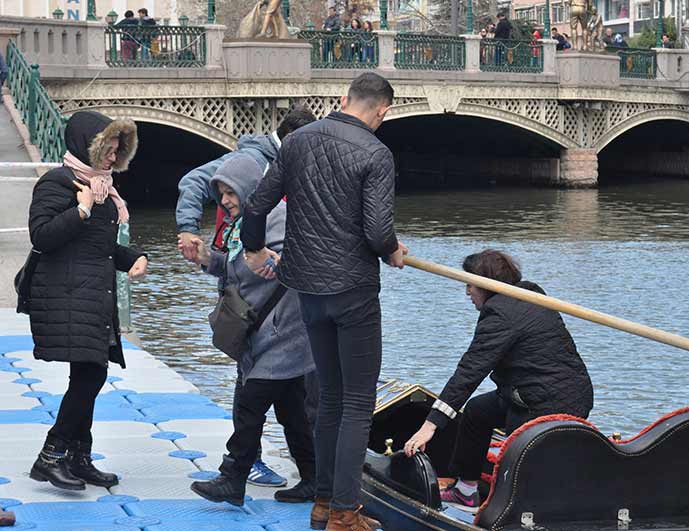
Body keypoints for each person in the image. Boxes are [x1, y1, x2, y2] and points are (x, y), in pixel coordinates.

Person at [240, 72, 407, 531]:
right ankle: (344, 513)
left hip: (307, 290)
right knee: (357, 401)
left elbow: (255, 205)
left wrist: (254, 248)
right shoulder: (376, 152)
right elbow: (376, 231)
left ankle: (323, 503)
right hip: (352, 290)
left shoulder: (297, 142)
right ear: (382, 110)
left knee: (331, 396)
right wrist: (392, 249)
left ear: (343, 99)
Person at [176, 108, 318, 488]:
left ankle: (233, 479)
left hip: (279, 332)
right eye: (220, 193)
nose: (223, 201)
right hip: (267, 333)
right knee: (292, 414)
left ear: (250, 188)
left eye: (229, 192)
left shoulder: (278, 217)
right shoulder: (247, 224)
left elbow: (293, 265)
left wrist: (277, 262)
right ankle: (313, 480)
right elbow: (237, 267)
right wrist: (207, 258)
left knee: (251, 407)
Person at [403, 250, 593, 512]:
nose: (467, 292)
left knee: (515, 448)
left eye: (469, 284)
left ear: (486, 284)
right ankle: (466, 492)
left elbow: (469, 372)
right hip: (535, 392)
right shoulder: (528, 293)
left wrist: (430, 425)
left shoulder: (502, 315)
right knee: (476, 412)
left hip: (549, 403)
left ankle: (512, 508)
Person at [27, 110, 147, 491]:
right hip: (66, 296)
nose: (113, 158)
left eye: (117, 150)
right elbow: (41, 236)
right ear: (88, 146)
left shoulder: (102, 188)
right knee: (91, 374)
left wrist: (133, 257)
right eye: (108, 150)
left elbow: (100, 246)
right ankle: (52, 454)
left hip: (92, 295)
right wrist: (80, 209)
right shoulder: (58, 184)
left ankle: (79, 457)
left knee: (87, 374)